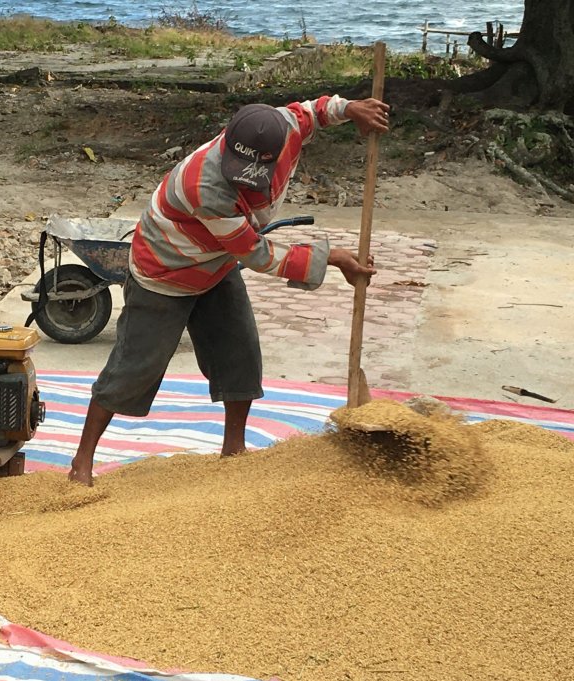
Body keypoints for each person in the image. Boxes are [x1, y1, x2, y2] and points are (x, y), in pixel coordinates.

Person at [68, 94, 390, 486]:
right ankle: (81, 463)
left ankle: (233, 450)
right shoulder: (205, 186)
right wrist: (333, 257)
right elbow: (256, 254)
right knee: (135, 368)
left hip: (215, 267)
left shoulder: (283, 127)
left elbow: (313, 111)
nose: (244, 177)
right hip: (165, 272)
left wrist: (352, 109)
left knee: (240, 354)